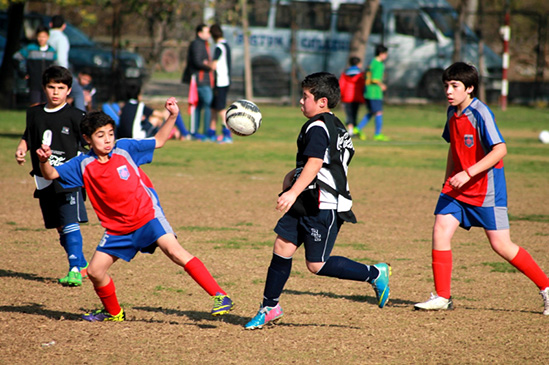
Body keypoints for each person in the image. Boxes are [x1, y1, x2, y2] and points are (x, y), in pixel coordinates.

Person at [36, 97, 235, 322]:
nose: (108, 140)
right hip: (117, 229)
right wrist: (44, 160)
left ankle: (220, 295)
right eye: (100, 136)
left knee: (174, 251)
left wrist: (172, 116)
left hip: (147, 215)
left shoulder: (125, 148)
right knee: (94, 272)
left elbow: (159, 140)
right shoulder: (82, 164)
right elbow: (51, 174)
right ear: (87, 139)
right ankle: (114, 313)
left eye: (110, 133)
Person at [244, 72, 391, 330]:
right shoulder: (336, 124)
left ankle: (375, 274)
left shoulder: (317, 126)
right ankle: (269, 307)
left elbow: (315, 163)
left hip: (324, 204)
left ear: (322, 101)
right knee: (282, 247)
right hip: (309, 196)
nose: (301, 102)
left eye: (305, 97)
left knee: (316, 264)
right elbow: (325, 162)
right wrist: (293, 177)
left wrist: (291, 191)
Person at [414, 62, 549, 315]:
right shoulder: (451, 112)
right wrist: (448, 180)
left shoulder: (481, 113)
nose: (449, 91)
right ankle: (442, 296)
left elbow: (500, 150)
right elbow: (453, 148)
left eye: (455, 86)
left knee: (501, 245)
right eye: (446, 86)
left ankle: (547, 288)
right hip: (456, 188)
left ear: (470, 88)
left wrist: (468, 173)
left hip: (485, 189)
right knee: (440, 230)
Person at [14, 65, 88, 286]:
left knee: (69, 221)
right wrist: (21, 148)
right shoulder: (34, 113)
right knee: (59, 225)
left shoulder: (77, 116)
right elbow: (29, 134)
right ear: (44, 88)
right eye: (51, 87)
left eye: (61, 87)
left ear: (68, 90)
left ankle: (74, 269)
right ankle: (82, 264)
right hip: (43, 177)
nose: (56, 92)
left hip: (68, 177)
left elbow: (87, 144)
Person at [182, 24, 213, 140]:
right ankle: (202, 132)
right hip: (200, 80)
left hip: (204, 79)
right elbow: (197, 61)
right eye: (206, 32)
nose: (208, 35)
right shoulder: (197, 44)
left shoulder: (204, 44)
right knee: (205, 104)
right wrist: (209, 65)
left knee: (200, 105)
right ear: (200, 33)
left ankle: (197, 131)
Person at [13, 25, 57, 106]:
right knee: (35, 104)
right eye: (39, 36)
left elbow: (55, 66)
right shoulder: (30, 49)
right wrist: (22, 72)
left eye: (43, 37)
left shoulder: (52, 51)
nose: (41, 39)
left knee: (46, 105)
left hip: (47, 82)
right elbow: (16, 58)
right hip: (34, 82)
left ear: (47, 37)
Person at [354, 44, 389, 141]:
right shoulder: (379, 64)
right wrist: (382, 85)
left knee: (371, 112)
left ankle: (357, 128)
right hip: (374, 92)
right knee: (378, 112)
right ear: (381, 53)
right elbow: (375, 79)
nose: (386, 56)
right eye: (385, 54)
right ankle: (377, 134)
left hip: (367, 91)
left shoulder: (371, 61)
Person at [208, 24, 233, 144]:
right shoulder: (226, 45)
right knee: (214, 108)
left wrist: (205, 64)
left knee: (221, 109)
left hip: (220, 82)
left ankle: (227, 134)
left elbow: (214, 65)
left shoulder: (218, 47)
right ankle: (211, 133)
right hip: (225, 80)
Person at [339, 56, 365, 137]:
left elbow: (341, 85)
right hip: (356, 96)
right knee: (355, 113)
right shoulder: (361, 74)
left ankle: (350, 130)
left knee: (349, 113)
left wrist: (341, 95)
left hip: (347, 97)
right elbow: (362, 85)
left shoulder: (345, 73)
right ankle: (354, 130)